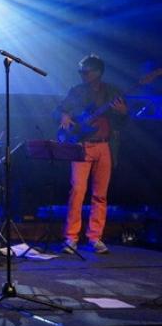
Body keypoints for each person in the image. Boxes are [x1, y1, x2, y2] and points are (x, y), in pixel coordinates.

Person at [56, 54, 128, 255]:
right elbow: (59, 110)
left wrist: (123, 112)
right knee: (77, 191)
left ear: (98, 72)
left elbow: (123, 122)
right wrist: (64, 115)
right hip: (82, 145)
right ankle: (71, 238)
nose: (82, 75)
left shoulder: (112, 91)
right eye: (81, 72)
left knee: (100, 195)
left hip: (105, 146)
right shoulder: (77, 91)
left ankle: (95, 237)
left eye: (86, 72)